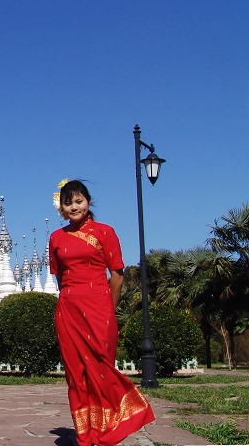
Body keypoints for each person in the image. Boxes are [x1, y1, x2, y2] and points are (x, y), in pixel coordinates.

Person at [49, 179, 155, 446]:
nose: (74, 207)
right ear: (61, 207)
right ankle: (86, 435)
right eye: (68, 202)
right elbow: (61, 277)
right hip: (69, 309)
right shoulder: (56, 238)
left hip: (99, 307)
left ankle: (108, 429)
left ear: (88, 201)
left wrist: (108, 306)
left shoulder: (104, 232)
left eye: (78, 201)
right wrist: (71, 300)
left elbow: (117, 275)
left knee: (101, 369)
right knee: (76, 373)